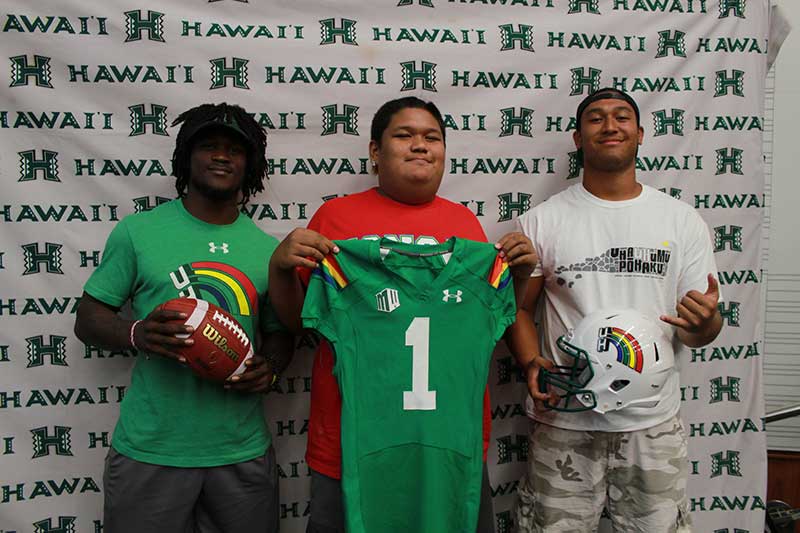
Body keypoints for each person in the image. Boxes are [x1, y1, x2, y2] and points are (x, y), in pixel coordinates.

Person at [267, 96, 537, 533]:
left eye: (432, 137)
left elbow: (496, 318)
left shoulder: (466, 225)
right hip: (354, 441)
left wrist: (519, 275)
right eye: (404, 135)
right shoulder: (334, 217)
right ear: (375, 151)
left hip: (448, 439)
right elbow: (302, 322)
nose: (420, 145)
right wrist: (279, 268)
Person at [508, 87, 723, 533]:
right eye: (596, 118)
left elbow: (697, 329)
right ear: (577, 137)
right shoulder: (542, 220)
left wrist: (708, 324)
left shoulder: (680, 220)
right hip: (565, 417)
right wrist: (531, 362)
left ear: (641, 134)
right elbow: (519, 312)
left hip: (652, 423)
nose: (610, 126)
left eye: (622, 117)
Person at [74, 103, 292, 532]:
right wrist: (138, 333)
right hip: (151, 449)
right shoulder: (138, 232)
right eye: (208, 145)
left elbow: (280, 333)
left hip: (240, 449)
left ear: (251, 165)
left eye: (235, 149)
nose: (221, 156)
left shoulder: (267, 250)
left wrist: (272, 369)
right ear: (185, 157)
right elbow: (88, 318)